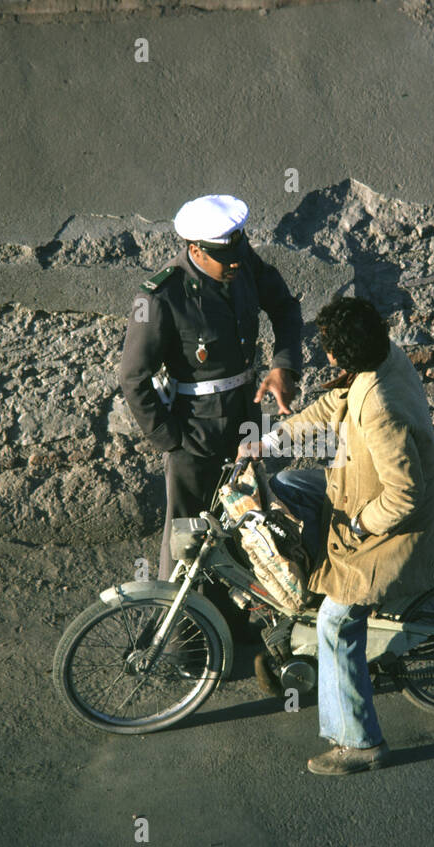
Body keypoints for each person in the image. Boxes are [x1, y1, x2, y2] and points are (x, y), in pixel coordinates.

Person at [241, 296, 434, 775]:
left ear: (339, 356)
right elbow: (329, 406)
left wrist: (361, 525)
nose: (325, 356)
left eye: (326, 348)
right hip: (355, 483)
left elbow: (404, 497)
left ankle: (361, 744)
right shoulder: (383, 356)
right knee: (284, 486)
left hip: (392, 524)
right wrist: (269, 442)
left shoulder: (380, 406)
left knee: (336, 623)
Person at [119, 194, 304, 652]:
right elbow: (132, 375)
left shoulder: (242, 263)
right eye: (224, 257)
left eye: (238, 252)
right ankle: (175, 639)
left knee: (246, 520)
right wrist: (170, 440)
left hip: (244, 417)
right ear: (196, 250)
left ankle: (238, 623)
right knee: (185, 535)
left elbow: (285, 307)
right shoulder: (160, 295)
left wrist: (283, 366)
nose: (235, 265)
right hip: (194, 430)